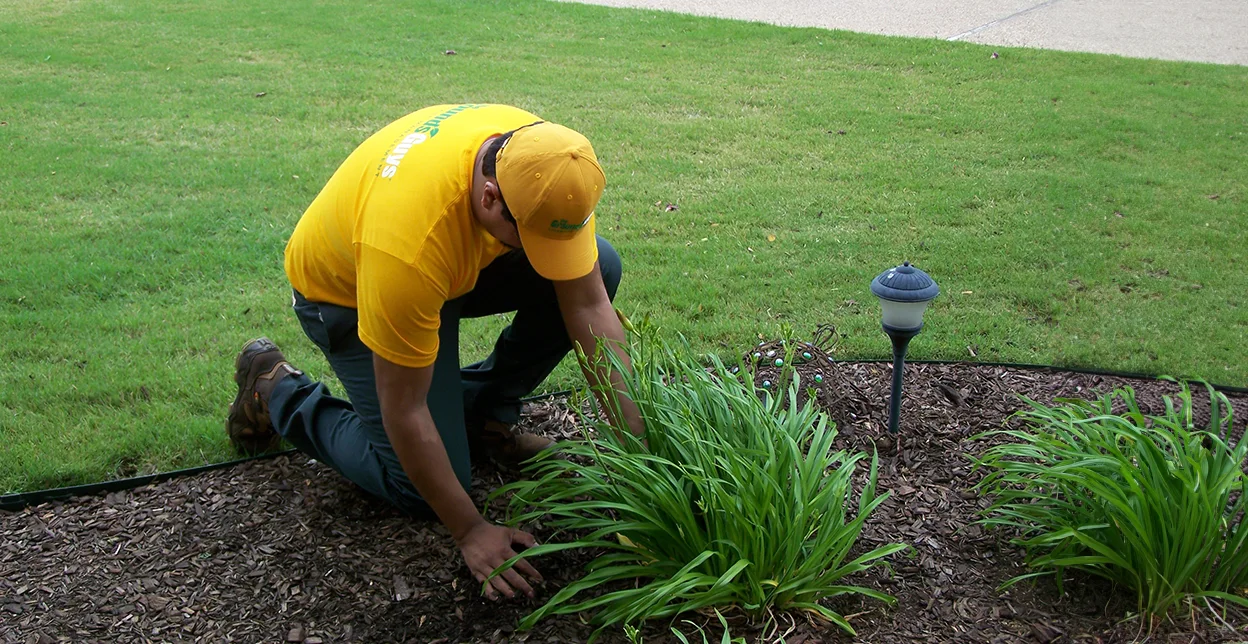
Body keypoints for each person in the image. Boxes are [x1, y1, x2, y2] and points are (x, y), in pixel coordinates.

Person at [225, 103, 642, 602]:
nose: (540, 253)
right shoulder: (408, 245)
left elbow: (590, 305)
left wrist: (642, 456)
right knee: (415, 486)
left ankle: (481, 416)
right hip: (347, 292)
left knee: (603, 267)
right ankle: (275, 389)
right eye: (528, 238)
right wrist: (470, 531)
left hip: (448, 264)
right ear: (490, 198)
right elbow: (404, 408)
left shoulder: (546, 164)